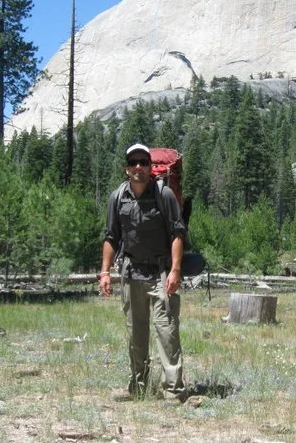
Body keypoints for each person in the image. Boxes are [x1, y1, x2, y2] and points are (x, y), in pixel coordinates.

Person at [99, 143, 187, 401]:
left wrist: (175, 271)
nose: (139, 166)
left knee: (167, 332)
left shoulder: (164, 194)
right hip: (131, 274)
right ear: (127, 168)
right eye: (133, 162)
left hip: (160, 273)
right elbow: (111, 237)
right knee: (136, 335)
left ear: (150, 167)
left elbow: (177, 233)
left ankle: (173, 390)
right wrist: (105, 272)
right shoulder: (118, 197)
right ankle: (137, 387)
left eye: (143, 162)